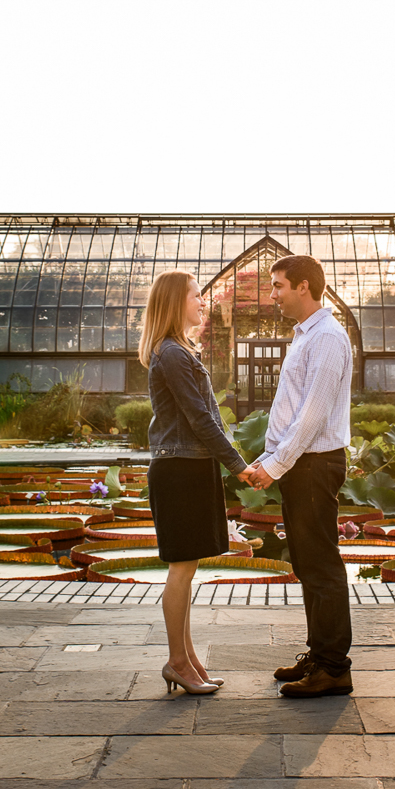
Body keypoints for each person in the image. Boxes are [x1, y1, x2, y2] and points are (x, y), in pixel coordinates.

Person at [239, 254, 354, 698]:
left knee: (321, 563)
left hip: (313, 464)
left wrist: (274, 465)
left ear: (304, 286)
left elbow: (311, 416)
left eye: (278, 286)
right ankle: (320, 653)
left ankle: (333, 668)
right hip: (303, 464)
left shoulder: (326, 338)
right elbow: (293, 411)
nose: (272, 295)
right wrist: (273, 458)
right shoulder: (307, 336)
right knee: (307, 562)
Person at [141, 270, 249, 696]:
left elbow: (210, 416)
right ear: (175, 302)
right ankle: (177, 661)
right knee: (181, 569)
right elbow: (199, 418)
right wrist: (239, 466)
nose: (203, 302)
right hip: (179, 469)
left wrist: (234, 460)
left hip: (192, 465)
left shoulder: (180, 351)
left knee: (187, 568)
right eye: (196, 295)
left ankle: (186, 659)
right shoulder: (171, 353)